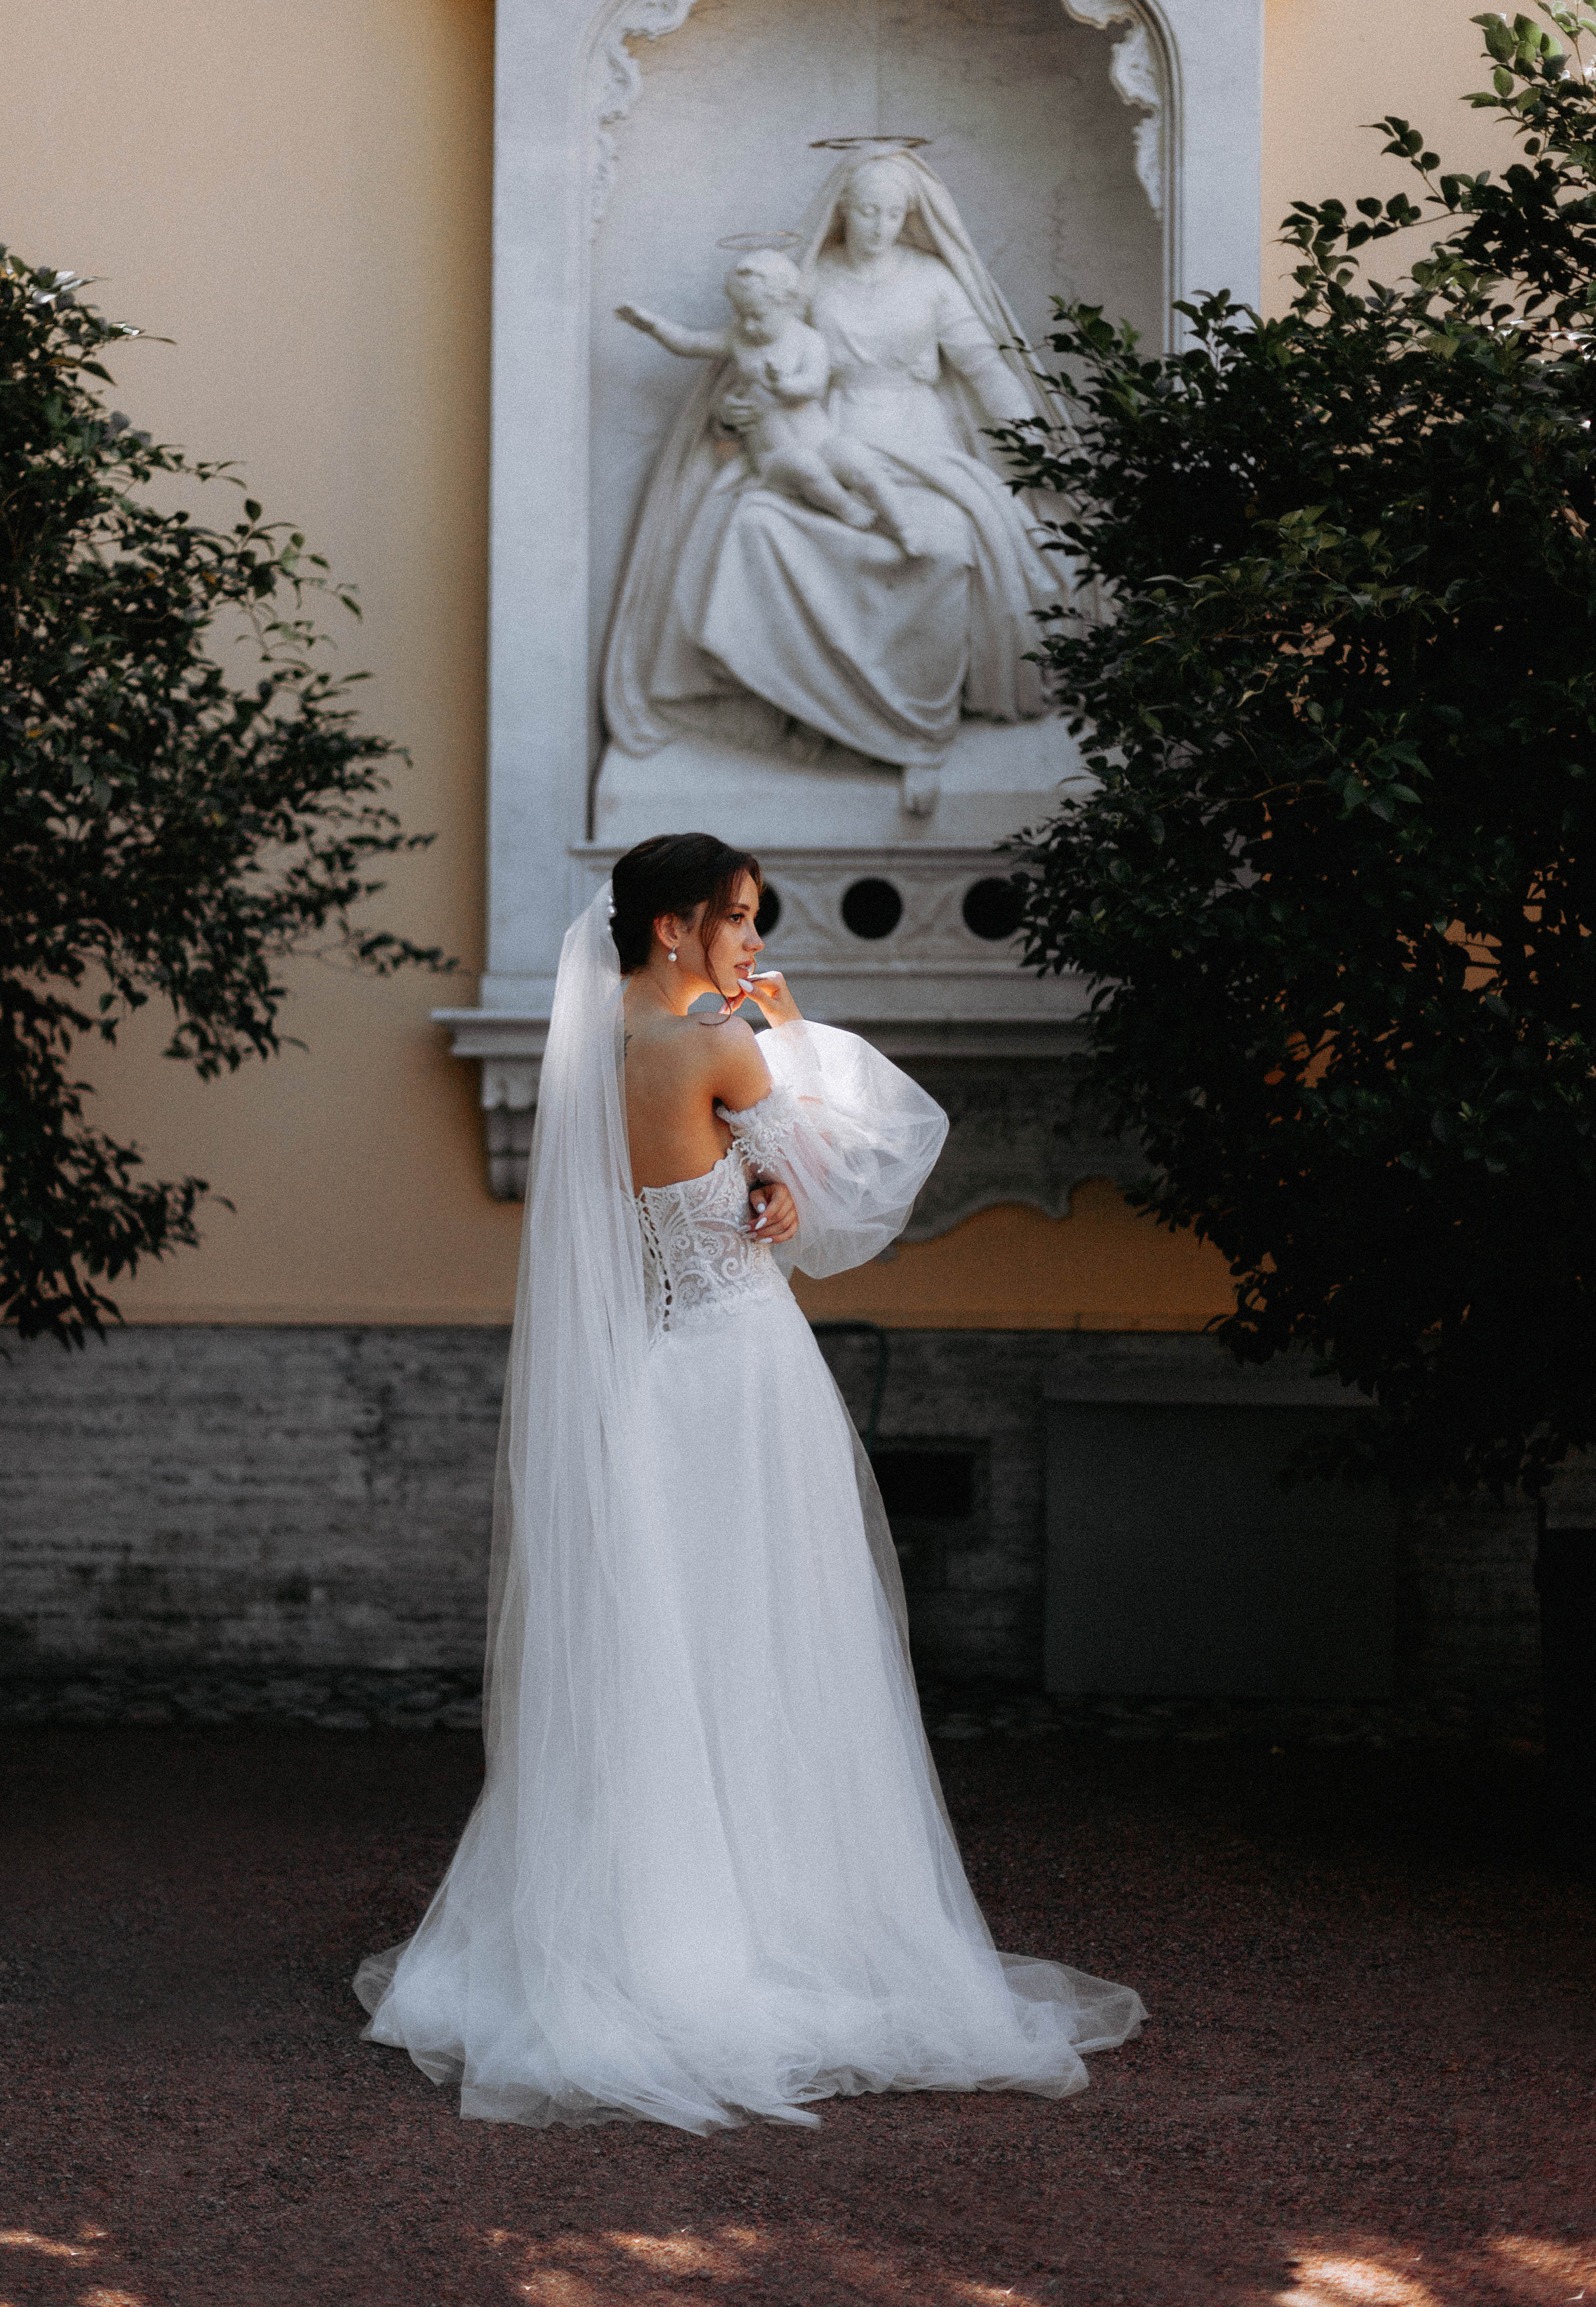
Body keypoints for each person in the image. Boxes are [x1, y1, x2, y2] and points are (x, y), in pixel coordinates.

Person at [353, 834, 1143, 2132]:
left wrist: (749, 1176)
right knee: (773, 1645)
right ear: (671, 930)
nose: (753, 945)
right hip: (738, 1378)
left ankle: (644, 1924)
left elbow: (675, 1188)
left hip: (652, 1380)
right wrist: (787, 1036)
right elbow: (864, 1176)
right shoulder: (714, 1040)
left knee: (664, 1654)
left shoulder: (596, 1045)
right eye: (736, 922)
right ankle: (777, 1928)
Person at [603, 148, 1088, 819]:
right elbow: (750, 366)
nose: (881, 224)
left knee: (943, 551)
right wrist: (731, 414)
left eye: (894, 212)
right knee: (754, 526)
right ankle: (813, 710)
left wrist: (1038, 446)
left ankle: (919, 735)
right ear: (843, 210)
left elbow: (985, 368)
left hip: (918, 438)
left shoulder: (932, 280)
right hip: (825, 432)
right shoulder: (810, 280)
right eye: (868, 209)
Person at [618, 248, 920, 550]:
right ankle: (849, 511)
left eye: (758, 316)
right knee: (805, 466)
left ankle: (904, 524)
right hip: (774, 456)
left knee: (857, 459)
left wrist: (785, 385)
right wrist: (653, 326)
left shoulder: (808, 341)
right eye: (741, 315)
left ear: (787, 303)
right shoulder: (740, 338)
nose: (748, 326)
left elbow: (814, 386)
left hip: (821, 439)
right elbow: (690, 343)